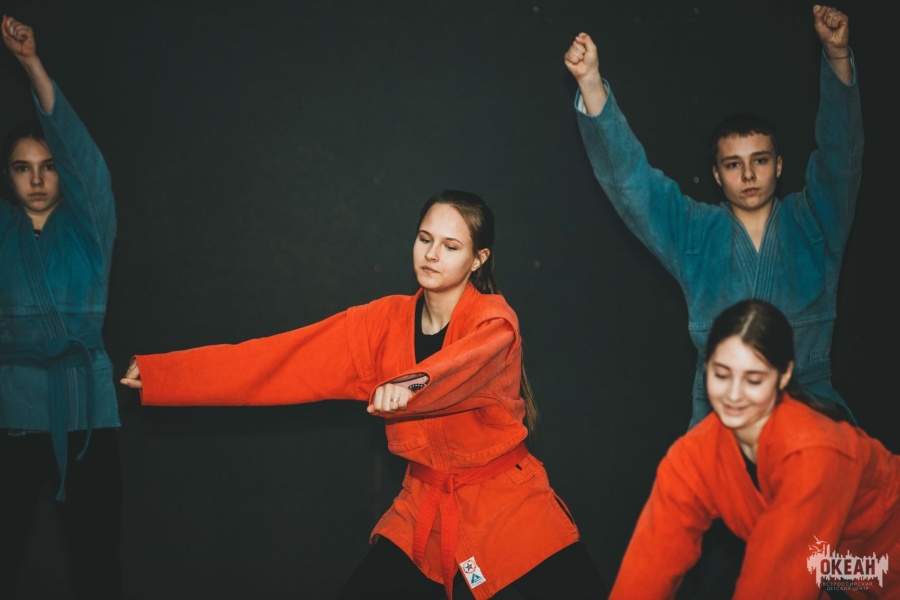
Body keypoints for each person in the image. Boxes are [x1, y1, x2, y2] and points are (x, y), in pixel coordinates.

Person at [120, 189, 607, 599]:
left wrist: (408, 385)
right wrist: (167, 376)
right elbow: (282, 360)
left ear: (478, 259)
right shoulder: (381, 324)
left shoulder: (494, 323)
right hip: (424, 510)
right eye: (424, 239)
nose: (431, 254)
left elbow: (461, 366)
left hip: (509, 510)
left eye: (450, 246)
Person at [563, 4, 863, 430]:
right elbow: (633, 185)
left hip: (807, 404)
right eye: (733, 164)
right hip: (720, 414)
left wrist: (836, 56)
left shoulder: (815, 221)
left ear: (779, 166)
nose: (748, 175)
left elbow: (840, 156)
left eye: (760, 160)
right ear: (717, 175)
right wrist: (591, 82)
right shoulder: (694, 232)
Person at [608, 298, 899, 599]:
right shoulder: (694, 455)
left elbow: (775, 584)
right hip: (837, 574)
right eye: (721, 375)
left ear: (783, 375)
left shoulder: (813, 451)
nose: (734, 395)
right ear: (706, 368)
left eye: (754, 379)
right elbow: (648, 566)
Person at [0, 15, 124, 600]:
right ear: (7, 176)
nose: (36, 180)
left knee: (97, 567)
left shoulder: (89, 230)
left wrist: (31, 64)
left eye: (48, 167)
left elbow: (86, 165)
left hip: (87, 414)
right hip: (12, 410)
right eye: (22, 167)